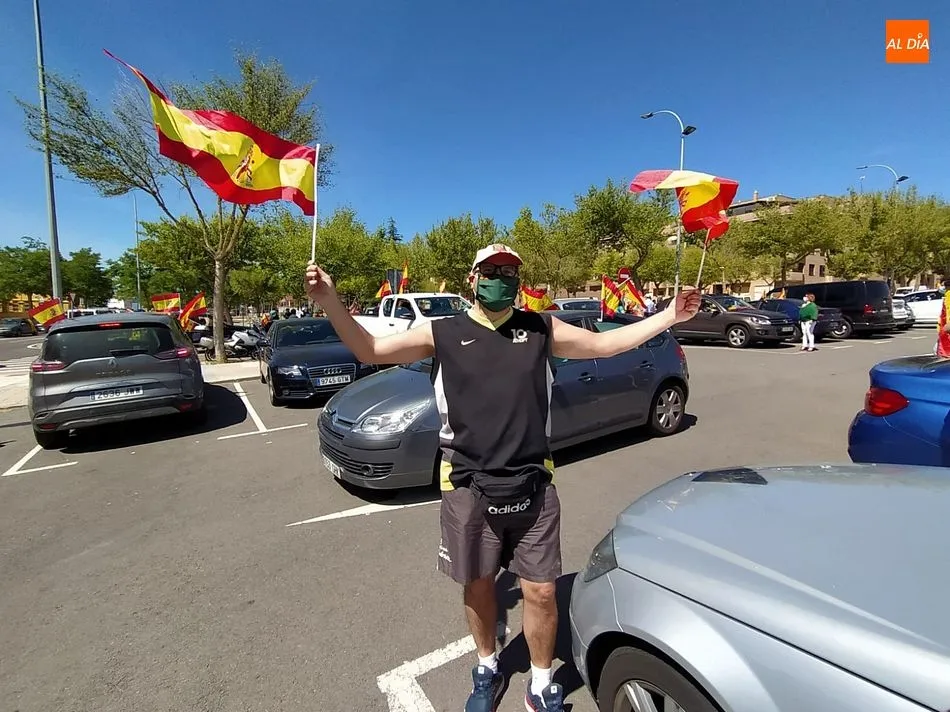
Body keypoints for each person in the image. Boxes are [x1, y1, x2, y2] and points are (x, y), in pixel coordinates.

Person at [304, 244, 700, 712]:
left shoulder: (540, 327)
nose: (501, 278)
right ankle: (487, 666)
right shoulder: (442, 331)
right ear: (472, 278)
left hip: (533, 484)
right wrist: (330, 301)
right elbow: (368, 348)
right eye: (491, 271)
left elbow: (603, 344)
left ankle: (540, 682)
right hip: (468, 488)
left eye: (510, 271)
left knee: (543, 591)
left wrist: (668, 317)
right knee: (477, 584)